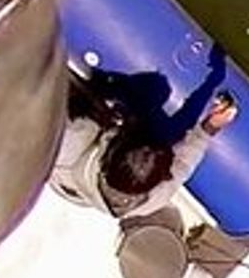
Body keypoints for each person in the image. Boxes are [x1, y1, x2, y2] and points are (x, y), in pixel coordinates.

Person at [52, 77, 239, 220]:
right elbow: (183, 164)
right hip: (76, 157)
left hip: (69, 169)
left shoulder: (70, 138)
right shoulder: (153, 200)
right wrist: (209, 129)